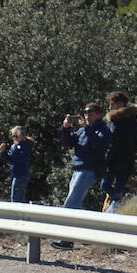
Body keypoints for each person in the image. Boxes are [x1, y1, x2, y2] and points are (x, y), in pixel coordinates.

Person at [52, 102, 110, 247]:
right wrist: (65, 128)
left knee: (70, 204)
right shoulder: (82, 130)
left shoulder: (103, 130)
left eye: (91, 113)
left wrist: (87, 128)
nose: (87, 116)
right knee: (75, 205)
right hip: (77, 170)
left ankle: (66, 240)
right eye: (85, 113)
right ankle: (88, 235)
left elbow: (99, 146)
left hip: (88, 171)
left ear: (98, 114)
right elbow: (68, 143)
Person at [100, 90, 137, 212]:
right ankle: (122, 197)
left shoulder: (120, 121)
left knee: (116, 187)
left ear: (120, 104)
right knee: (105, 185)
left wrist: (108, 158)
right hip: (120, 160)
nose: (110, 107)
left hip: (121, 161)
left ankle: (113, 212)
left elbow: (114, 143)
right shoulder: (125, 120)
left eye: (112, 104)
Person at [0, 125, 34, 202]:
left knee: (16, 198)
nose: (13, 138)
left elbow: (15, 158)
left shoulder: (23, 146)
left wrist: (13, 149)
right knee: (20, 197)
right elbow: (10, 158)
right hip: (19, 174)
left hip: (20, 174)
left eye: (15, 136)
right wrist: (3, 152)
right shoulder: (19, 146)